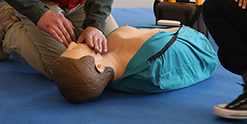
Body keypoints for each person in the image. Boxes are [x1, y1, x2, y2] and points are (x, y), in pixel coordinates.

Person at [52, 25, 219, 104]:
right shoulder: (155, 66)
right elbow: (207, 54)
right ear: (99, 66)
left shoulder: (103, 48)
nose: (72, 44)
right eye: (76, 50)